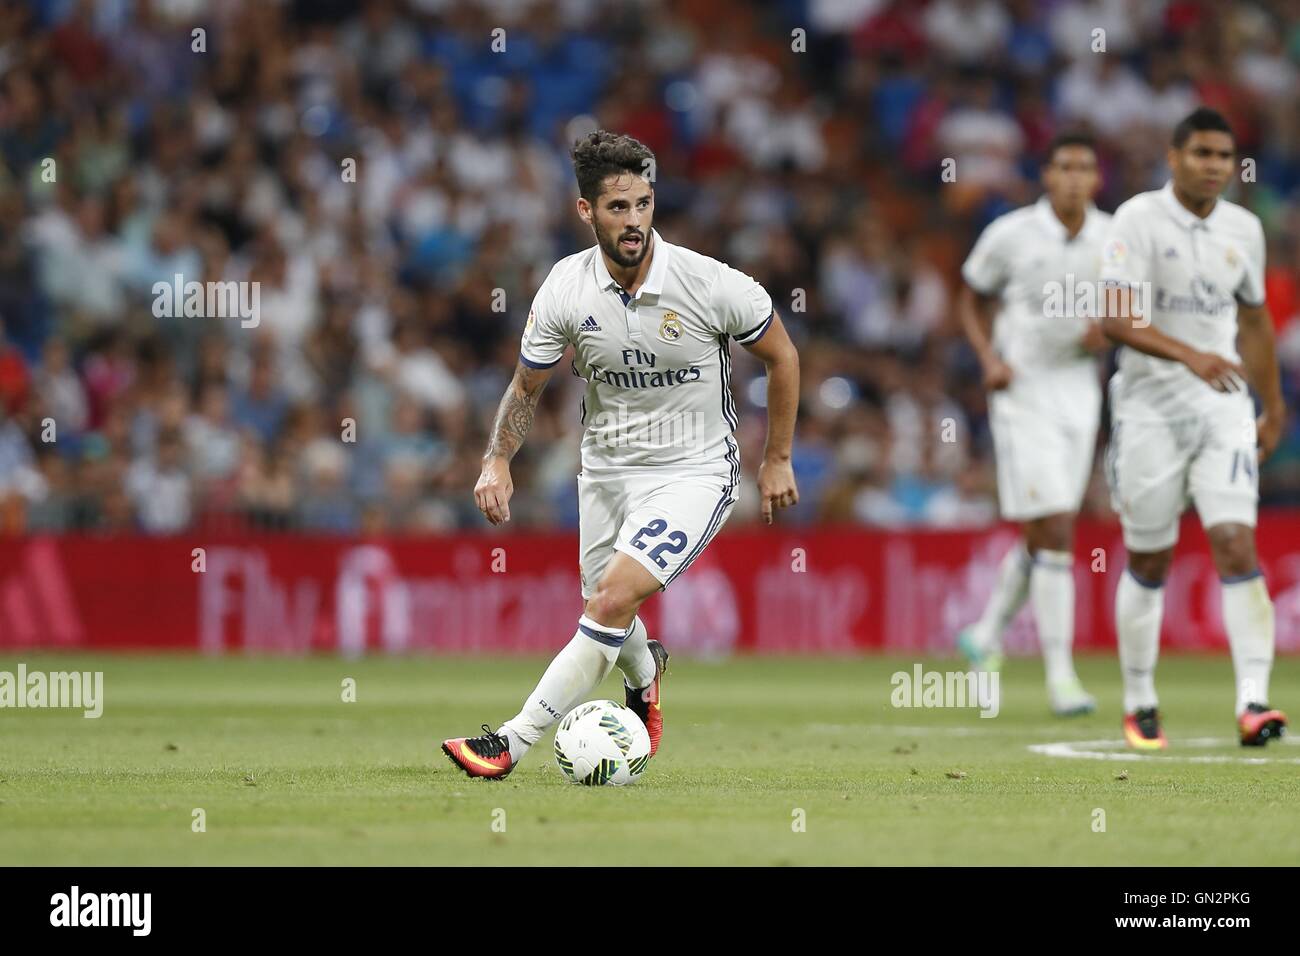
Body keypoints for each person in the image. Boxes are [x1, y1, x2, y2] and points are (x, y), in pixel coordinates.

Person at [442, 130, 801, 779]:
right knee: (604, 605)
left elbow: (782, 355)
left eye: (643, 203)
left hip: (694, 472)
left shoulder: (708, 282)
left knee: (608, 602)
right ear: (586, 212)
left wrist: (776, 458)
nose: (634, 220)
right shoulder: (564, 289)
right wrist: (498, 459)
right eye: (617, 207)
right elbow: (528, 386)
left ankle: (511, 743)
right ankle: (644, 675)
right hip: (605, 469)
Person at [1100, 107, 1287, 749]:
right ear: (1173, 156)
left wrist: (1274, 405)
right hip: (1149, 408)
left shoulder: (1245, 229)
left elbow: (1256, 320)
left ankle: (1254, 702)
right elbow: (1116, 321)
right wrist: (1191, 354)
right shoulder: (1136, 220)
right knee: (1150, 556)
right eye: (1202, 154)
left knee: (1236, 541)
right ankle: (1140, 699)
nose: (1215, 167)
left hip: (1223, 407)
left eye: (1224, 157)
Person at [955, 132, 1111, 716]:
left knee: (1047, 529)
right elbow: (969, 297)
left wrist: (1111, 329)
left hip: (1079, 391)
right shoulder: (1011, 234)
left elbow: (1130, 308)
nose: (1074, 177)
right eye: (1064, 166)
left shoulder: (1113, 235)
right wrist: (989, 360)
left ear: (1096, 179)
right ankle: (1061, 676)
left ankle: (985, 632)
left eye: (1085, 168)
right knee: (1058, 529)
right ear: (1046, 175)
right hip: (1021, 391)